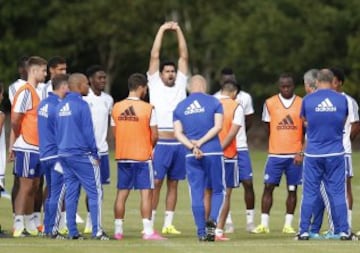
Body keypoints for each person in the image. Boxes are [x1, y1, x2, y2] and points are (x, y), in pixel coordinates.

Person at [297, 69, 350, 240]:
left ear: (317, 81)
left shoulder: (307, 100)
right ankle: (343, 230)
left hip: (313, 153)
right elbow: (343, 119)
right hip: (335, 151)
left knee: (310, 193)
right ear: (332, 80)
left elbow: (305, 121)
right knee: (338, 192)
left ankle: (304, 231)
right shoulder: (342, 99)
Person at [112, 73, 166, 241]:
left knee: (121, 194)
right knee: (146, 194)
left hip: (123, 156)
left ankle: (118, 231)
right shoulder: (149, 108)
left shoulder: (116, 107)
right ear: (141, 87)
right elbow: (155, 135)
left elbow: (115, 133)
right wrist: (149, 146)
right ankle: (147, 231)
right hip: (142, 156)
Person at [148, 21, 189, 234]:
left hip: (179, 142)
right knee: (156, 183)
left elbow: (184, 56)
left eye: (173, 71)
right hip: (161, 142)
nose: (171, 74)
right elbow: (154, 56)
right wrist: (162, 30)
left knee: (174, 184)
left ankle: (168, 224)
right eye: (167, 71)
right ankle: (151, 224)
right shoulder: (153, 83)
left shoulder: (182, 83)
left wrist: (179, 30)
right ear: (161, 74)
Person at [56, 73, 108, 240]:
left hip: (64, 153)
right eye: (86, 83)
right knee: (96, 192)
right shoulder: (82, 105)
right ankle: (97, 231)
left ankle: (72, 232)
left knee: (71, 193)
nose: (88, 87)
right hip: (81, 154)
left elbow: (57, 131)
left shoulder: (60, 106)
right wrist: (94, 152)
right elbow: (88, 132)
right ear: (78, 85)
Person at [173, 75, 225, 241]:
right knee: (218, 190)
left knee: (196, 193)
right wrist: (201, 142)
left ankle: (201, 232)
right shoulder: (215, 102)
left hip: (191, 154)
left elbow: (177, 133)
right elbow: (218, 126)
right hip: (212, 151)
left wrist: (192, 146)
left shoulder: (180, 107)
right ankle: (213, 220)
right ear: (205, 85)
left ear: (189, 87)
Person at [252, 73, 304, 234]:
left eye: (289, 86)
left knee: (292, 189)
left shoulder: (302, 103)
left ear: (293, 85)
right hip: (275, 154)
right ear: (279, 86)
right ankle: (264, 224)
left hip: (294, 155)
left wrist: (301, 150)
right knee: (268, 187)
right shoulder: (270, 103)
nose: (286, 89)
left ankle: (288, 224)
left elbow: (306, 130)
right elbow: (268, 127)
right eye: (283, 86)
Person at [213, 68, 256, 233]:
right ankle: (226, 222)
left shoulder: (245, 98)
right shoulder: (214, 99)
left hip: (241, 147)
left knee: (247, 182)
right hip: (225, 148)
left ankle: (250, 221)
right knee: (225, 187)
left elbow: (249, 120)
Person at [11, 56, 47, 237]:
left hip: (37, 146)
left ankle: (30, 224)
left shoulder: (36, 91)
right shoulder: (25, 91)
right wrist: (20, 137)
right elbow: (16, 119)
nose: (46, 74)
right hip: (26, 145)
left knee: (34, 185)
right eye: (43, 70)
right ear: (34, 71)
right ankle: (18, 224)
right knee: (25, 186)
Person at [206, 80, 243, 241]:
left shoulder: (210, 104)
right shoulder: (236, 106)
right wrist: (221, 148)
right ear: (234, 92)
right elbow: (232, 132)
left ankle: (205, 230)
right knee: (225, 194)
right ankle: (219, 231)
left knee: (207, 193)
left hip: (209, 155)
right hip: (227, 156)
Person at [37, 74, 69, 238]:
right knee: (57, 194)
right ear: (63, 87)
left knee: (51, 193)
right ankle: (53, 230)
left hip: (44, 155)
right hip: (57, 156)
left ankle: (48, 228)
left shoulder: (43, 103)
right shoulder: (60, 106)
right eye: (68, 86)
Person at [82, 65, 114, 234]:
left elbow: (109, 123)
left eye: (104, 78)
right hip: (85, 151)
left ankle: (91, 220)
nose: (103, 80)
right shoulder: (84, 99)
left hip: (102, 151)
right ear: (90, 80)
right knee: (85, 187)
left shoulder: (108, 99)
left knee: (98, 189)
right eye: (99, 78)